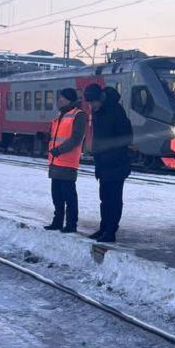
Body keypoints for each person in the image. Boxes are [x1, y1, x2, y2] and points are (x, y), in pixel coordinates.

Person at [84, 84, 133, 243]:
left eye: (93, 103)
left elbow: (127, 136)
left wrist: (111, 152)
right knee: (104, 199)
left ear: (101, 99)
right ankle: (104, 227)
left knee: (114, 199)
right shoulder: (98, 111)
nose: (91, 106)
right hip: (103, 163)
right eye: (89, 104)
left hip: (117, 163)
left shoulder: (116, 111)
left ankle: (111, 231)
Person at [45, 88, 87, 233]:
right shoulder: (60, 114)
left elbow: (76, 138)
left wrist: (58, 150)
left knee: (69, 195)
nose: (59, 100)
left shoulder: (78, 115)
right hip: (55, 161)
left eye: (62, 98)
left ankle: (71, 224)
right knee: (56, 195)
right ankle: (57, 222)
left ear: (70, 99)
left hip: (68, 161)